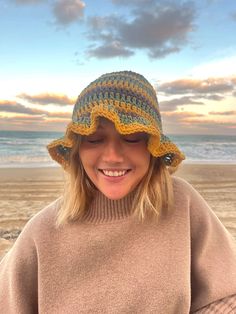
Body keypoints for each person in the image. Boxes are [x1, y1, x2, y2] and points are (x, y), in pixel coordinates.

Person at [0, 70, 236, 313]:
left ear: (152, 147)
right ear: (77, 150)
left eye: (132, 137)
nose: (112, 156)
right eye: (94, 139)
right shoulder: (43, 231)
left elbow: (228, 295)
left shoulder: (181, 204)